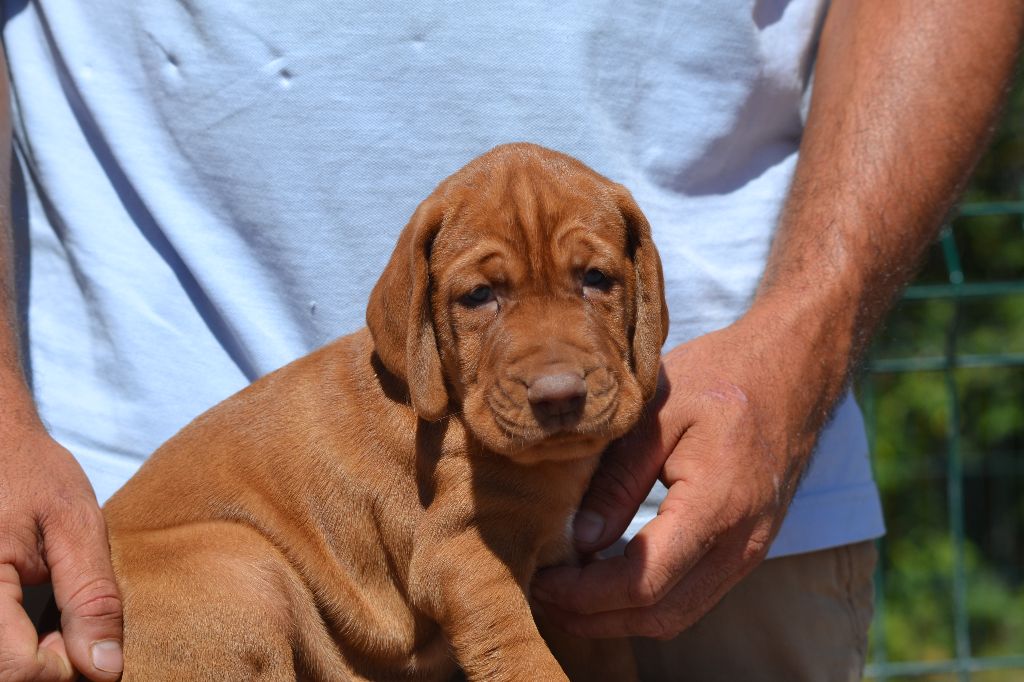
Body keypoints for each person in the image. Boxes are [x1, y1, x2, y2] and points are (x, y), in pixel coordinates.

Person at [0, 1, 1020, 680]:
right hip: (151, 558)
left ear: (639, 287)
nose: (553, 369)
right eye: (482, 297)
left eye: (593, 279)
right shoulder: (443, 455)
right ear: (417, 319)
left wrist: (803, 334)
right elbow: (467, 571)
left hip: (735, 505)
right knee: (246, 596)